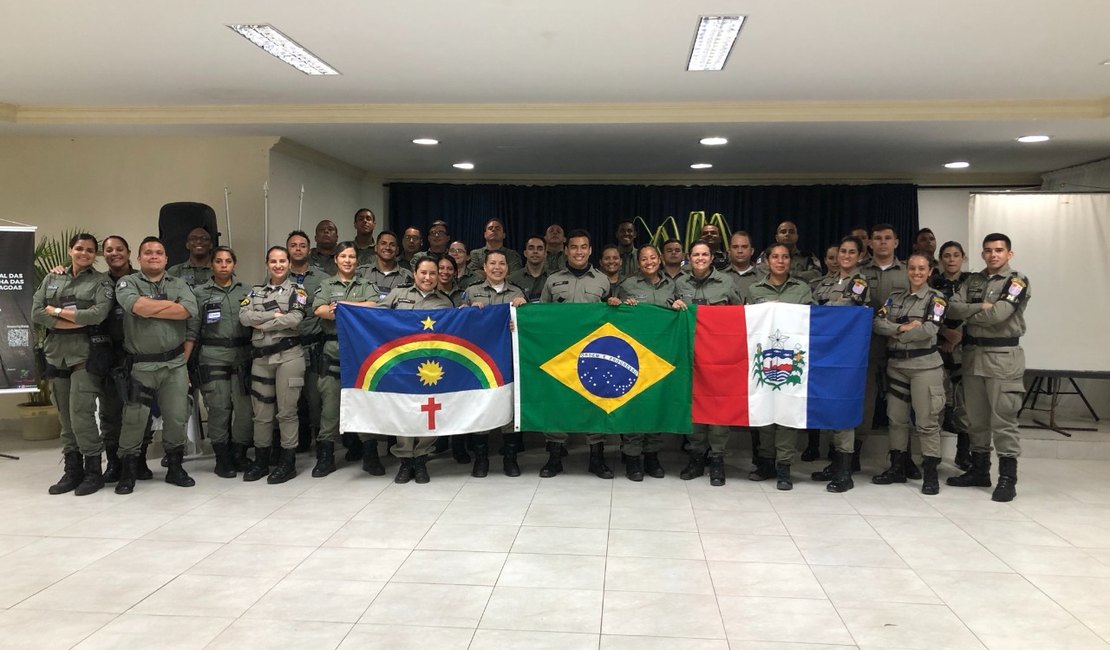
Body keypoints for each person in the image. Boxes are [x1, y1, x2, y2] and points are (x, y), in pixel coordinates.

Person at [945, 233, 1030, 502]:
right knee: (976, 419)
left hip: (1003, 356)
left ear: (1009, 254)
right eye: (988, 251)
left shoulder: (1016, 281)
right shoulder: (973, 280)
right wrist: (980, 306)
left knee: (1003, 420)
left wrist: (970, 313)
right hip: (972, 355)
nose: (993, 255)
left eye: (999, 250)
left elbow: (1000, 315)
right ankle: (980, 471)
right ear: (982, 254)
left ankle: (1007, 479)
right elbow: (951, 308)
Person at [113, 237, 199, 494]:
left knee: (176, 416)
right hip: (141, 365)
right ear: (139, 258)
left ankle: (175, 467)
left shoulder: (179, 283)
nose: (154, 256)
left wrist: (150, 308)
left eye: (159, 252)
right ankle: (128, 472)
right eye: (148, 252)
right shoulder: (128, 282)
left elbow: (188, 311)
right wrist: (170, 306)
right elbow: (134, 305)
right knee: (134, 419)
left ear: (166, 258)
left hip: (174, 364)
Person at [32, 233, 113, 496]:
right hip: (56, 354)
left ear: (95, 255)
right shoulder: (52, 278)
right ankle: (72, 469)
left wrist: (55, 312)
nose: (84, 253)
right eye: (80, 248)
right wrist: (72, 319)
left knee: (81, 414)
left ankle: (93, 471)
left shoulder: (100, 281)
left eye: (90, 250)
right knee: (65, 419)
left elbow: (98, 314)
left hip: (85, 355)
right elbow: (36, 312)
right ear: (70, 250)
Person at [539, 229, 616, 479]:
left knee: (595, 401)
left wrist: (616, 306)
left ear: (590, 250)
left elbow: (612, 319)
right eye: (574, 247)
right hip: (560, 353)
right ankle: (555, 455)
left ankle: (597, 455)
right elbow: (541, 319)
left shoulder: (603, 281)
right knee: (557, 401)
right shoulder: (552, 280)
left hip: (594, 353)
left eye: (584, 247)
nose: (579, 251)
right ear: (566, 250)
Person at [871, 253, 948, 495]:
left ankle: (931, 473)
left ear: (930, 271)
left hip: (924, 366)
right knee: (896, 419)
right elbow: (877, 323)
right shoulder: (895, 298)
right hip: (897, 366)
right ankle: (897, 467)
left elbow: (929, 329)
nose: (916, 272)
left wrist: (894, 332)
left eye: (922, 268)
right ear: (907, 270)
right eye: (912, 268)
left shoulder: (937, 299)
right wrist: (902, 327)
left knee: (926, 422)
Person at [674, 240, 745, 486]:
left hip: (719, 357)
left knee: (718, 408)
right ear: (689, 257)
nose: (701, 258)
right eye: (696, 254)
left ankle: (717, 459)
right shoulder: (679, 283)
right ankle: (696, 456)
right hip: (689, 356)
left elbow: (740, 317)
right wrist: (674, 306)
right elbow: (670, 316)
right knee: (694, 406)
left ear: (712, 257)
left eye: (705, 254)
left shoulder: (726, 283)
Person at [380, 257, 456, 484]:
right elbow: (376, 320)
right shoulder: (397, 294)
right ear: (414, 274)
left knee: (427, 412)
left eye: (433, 274)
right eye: (423, 272)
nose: (428, 277)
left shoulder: (445, 302)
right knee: (403, 410)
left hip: (430, 367)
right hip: (400, 363)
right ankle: (405, 460)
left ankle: (421, 458)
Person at [311, 241, 382, 477]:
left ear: (357, 260)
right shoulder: (326, 284)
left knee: (364, 404)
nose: (348, 260)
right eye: (343, 256)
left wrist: (341, 306)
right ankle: (325, 456)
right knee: (329, 408)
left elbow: (374, 306)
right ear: (336, 259)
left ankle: (370, 454)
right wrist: (354, 309)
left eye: (352, 256)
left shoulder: (366, 284)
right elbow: (319, 310)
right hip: (332, 350)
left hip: (361, 351)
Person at [746, 243, 814, 490]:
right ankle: (765, 462)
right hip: (762, 359)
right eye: (775, 256)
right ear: (767, 260)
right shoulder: (754, 290)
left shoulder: (802, 289)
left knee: (787, 411)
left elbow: (812, 321)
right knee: (763, 410)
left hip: (792, 360)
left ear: (790, 261)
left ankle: (784, 465)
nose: (780, 261)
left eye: (785, 257)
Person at [239, 246, 307, 485]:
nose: (278, 265)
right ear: (267, 264)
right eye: (273, 261)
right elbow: (244, 317)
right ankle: (261, 460)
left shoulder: (297, 291)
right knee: (261, 413)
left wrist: (262, 323)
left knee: (287, 412)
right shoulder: (255, 292)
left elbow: (295, 319)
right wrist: (276, 317)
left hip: (289, 357)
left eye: (282, 261)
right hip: (261, 359)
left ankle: (287, 463)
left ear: (289, 264)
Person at [610, 245, 678, 481]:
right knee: (634, 405)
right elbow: (613, 312)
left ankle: (652, 455)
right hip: (634, 354)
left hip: (661, 355)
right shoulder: (628, 285)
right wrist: (619, 305)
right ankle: (632, 456)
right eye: (644, 259)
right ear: (638, 263)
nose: (649, 262)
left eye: (653, 258)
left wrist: (679, 308)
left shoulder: (672, 285)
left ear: (659, 260)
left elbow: (677, 315)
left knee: (655, 404)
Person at [808, 236, 870, 492]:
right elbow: (813, 309)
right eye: (842, 251)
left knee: (842, 409)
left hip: (846, 356)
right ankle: (835, 464)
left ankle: (845, 471)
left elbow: (844, 312)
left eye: (851, 252)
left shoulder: (859, 282)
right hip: (824, 353)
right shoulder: (826, 282)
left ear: (860, 255)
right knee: (830, 408)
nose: (845, 256)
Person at [187, 246, 252, 478]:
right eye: (218, 261)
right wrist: (186, 363)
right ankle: (222, 457)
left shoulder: (248, 291)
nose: (223, 265)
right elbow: (192, 329)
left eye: (228, 261)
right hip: (212, 356)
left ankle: (240, 453)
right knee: (218, 409)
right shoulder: (199, 292)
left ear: (234, 264)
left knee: (244, 410)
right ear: (211, 265)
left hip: (243, 356)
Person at [463, 250, 528, 477]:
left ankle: (510, 459)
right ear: (485, 267)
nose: (497, 267)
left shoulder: (517, 293)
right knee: (482, 407)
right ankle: (481, 460)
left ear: (507, 269)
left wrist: (522, 314)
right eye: (493, 263)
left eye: (502, 263)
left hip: (507, 360)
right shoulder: (471, 292)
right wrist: (467, 312)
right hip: (479, 361)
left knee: (509, 408)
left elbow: (527, 327)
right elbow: (459, 323)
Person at [97, 236, 154, 483]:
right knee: (110, 412)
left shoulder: (141, 280)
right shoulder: (97, 282)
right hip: (108, 355)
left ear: (129, 252)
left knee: (141, 409)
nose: (114, 253)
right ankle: (113, 464)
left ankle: (139, 461)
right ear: (103, 254)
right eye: (109, 250)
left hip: (138, 354)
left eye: (119, 249)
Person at [859, 223, 911, 473]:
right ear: (869, 243)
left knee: (901, 404)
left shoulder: (907, 273)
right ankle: (854, 452)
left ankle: (903, 457)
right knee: (865, 402)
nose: (882, 242)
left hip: (901, 345)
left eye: (887, 238)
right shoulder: (858, 272)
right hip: (867, 347)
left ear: (896, 243)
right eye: (877, 238)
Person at [932, 241, 972, 470]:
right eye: (946, 255)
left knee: (964, 404)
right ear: (940, 259)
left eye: (956, 255)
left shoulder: (972, 283)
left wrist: (958, 335)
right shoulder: (933, 282)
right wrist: (944, 334)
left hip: (964, 348)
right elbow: (925, 313)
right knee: (936, 404)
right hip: (937, 345)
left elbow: (977, 313)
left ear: (963, 258)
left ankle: (963, 453)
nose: (951, 259)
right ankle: (933, 455)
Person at [288, 230, 325, 453]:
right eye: (293, 245)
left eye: (302, 245)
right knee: (293, 398)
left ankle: (322, 442)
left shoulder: (321, 277)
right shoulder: (279, 277)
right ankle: (299, 440)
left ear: (309, 249)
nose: (298, 248)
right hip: (290, 344)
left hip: (315, 345)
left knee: (316, 396)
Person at [357, 231, 414, 301]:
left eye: (392, 245)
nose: (387, 247)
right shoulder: (362, 272)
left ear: (397, 250)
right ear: (376, 248)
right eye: (383, 243)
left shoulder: (407, 276)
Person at [509, 236, 550, 303]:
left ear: (545, 253)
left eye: (539, 249)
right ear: (525, 253)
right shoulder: (513, 279)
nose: (535, 251)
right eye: (531, 248)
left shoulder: (553, 277)